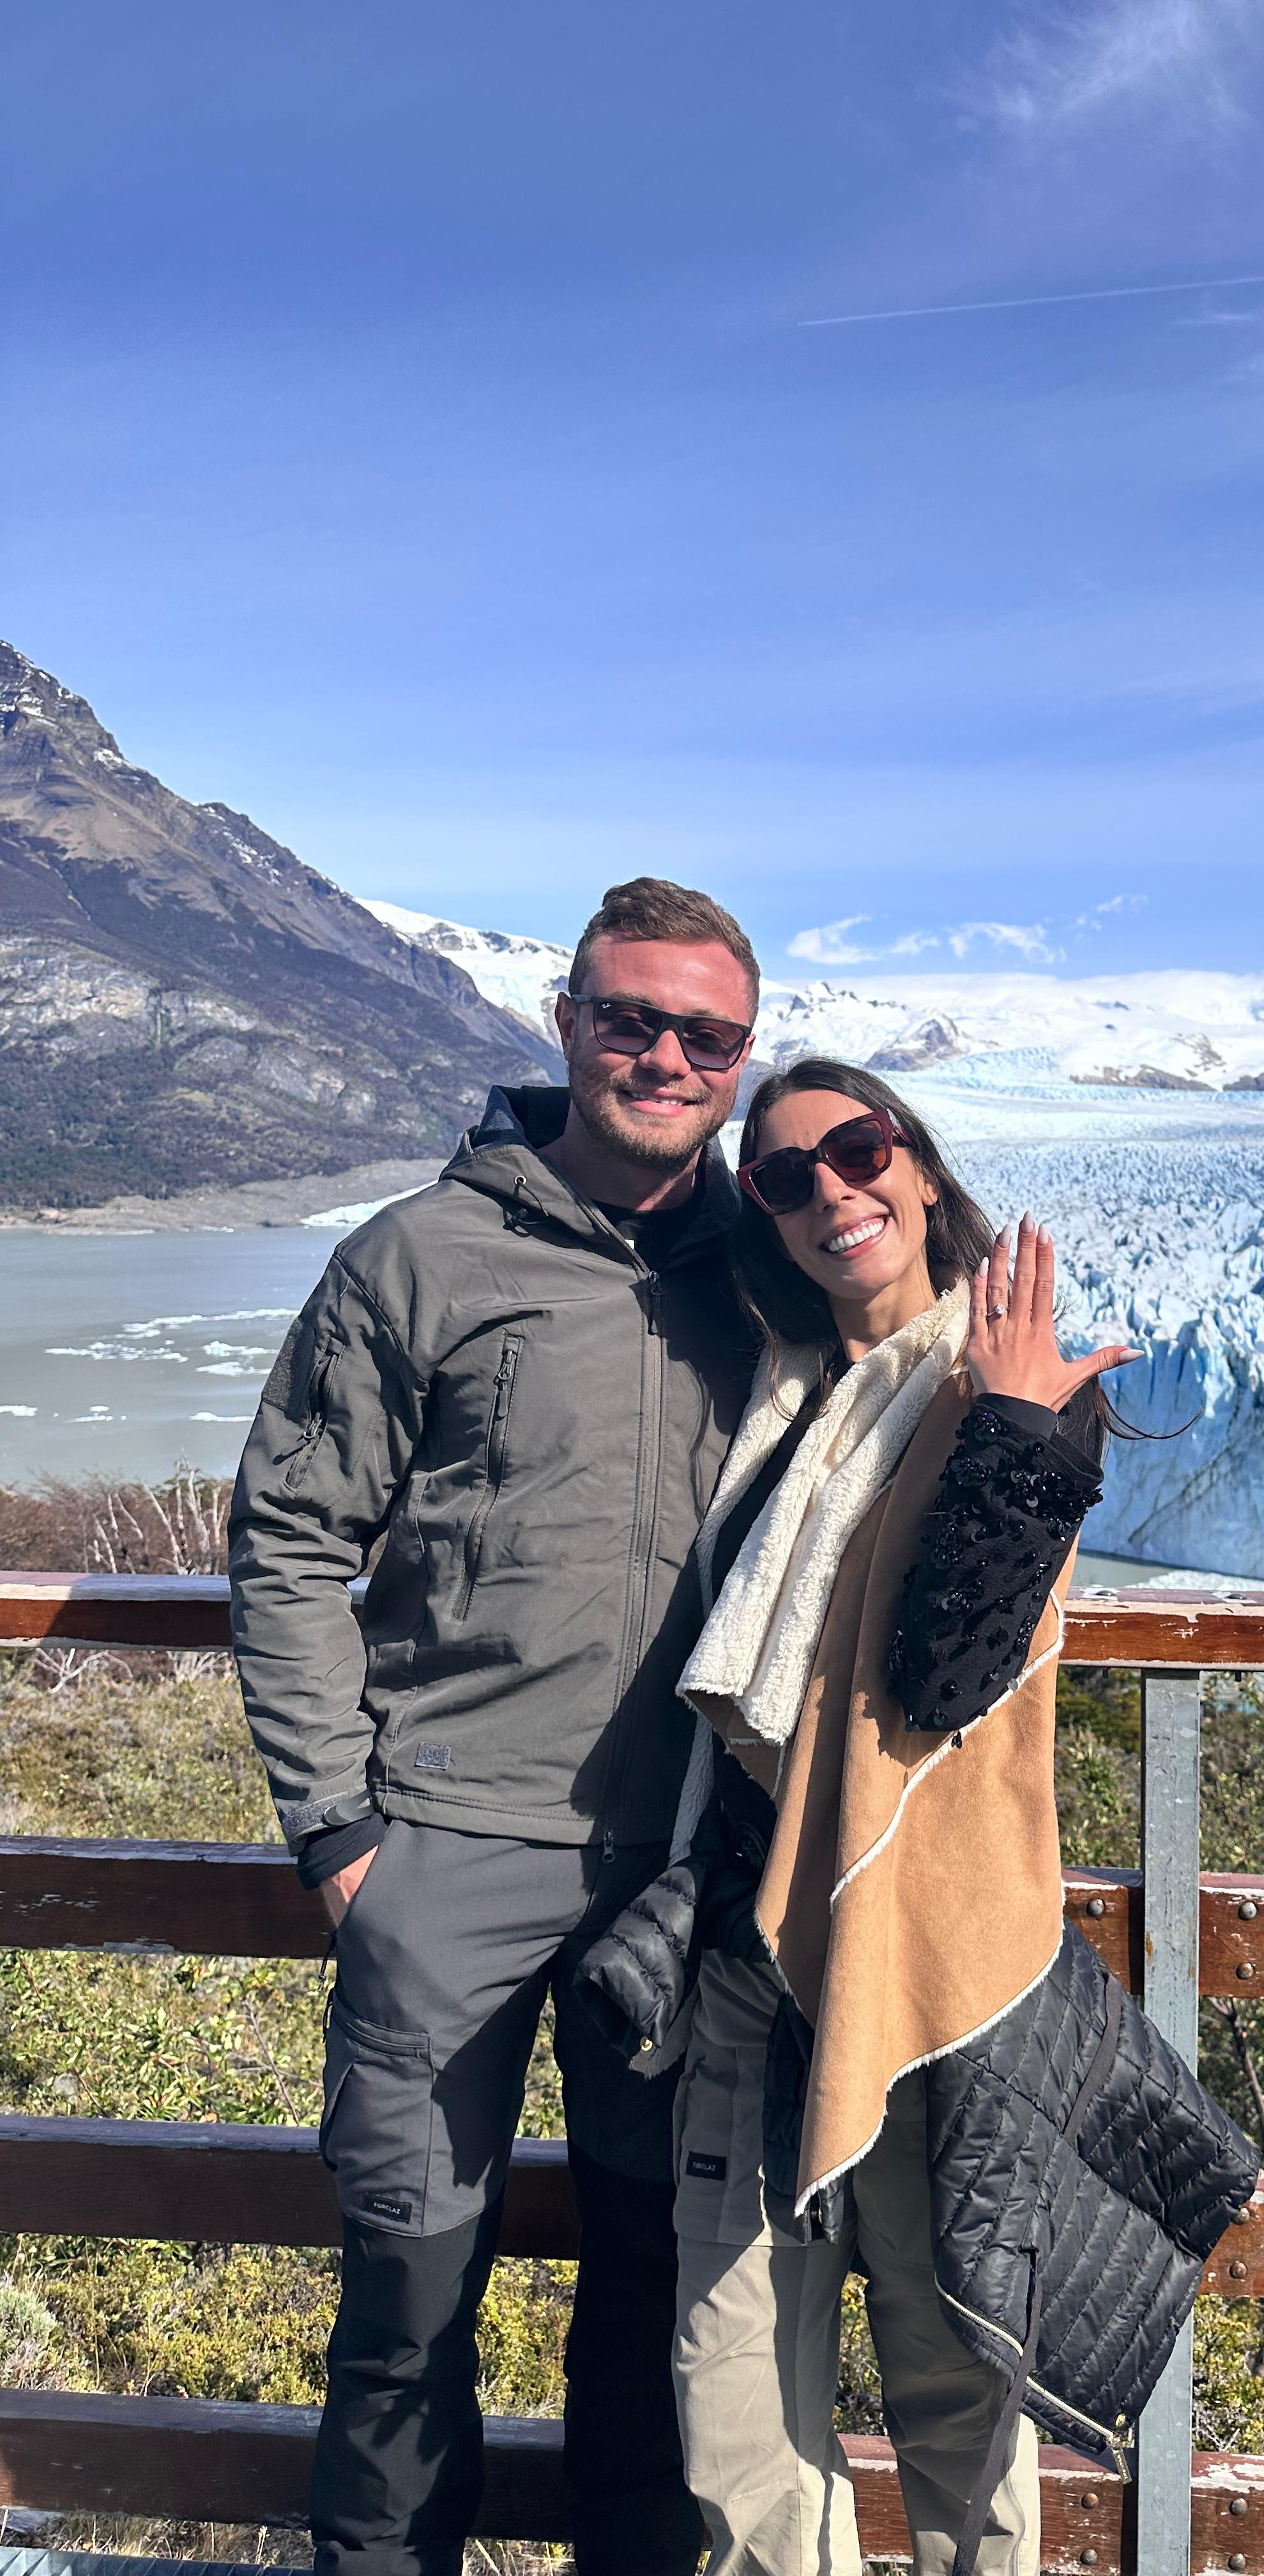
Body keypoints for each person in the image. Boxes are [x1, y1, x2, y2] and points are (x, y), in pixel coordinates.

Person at [578, 1059, 1256, 2576]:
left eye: (859, 1148)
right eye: (784, 1176)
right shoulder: (789, 1398)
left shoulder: (1010, 1396)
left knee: (954, 2386)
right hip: (750, 1954)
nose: (832, 1189)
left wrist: (1014, 1424)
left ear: (921, 1166)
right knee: (735, 2399)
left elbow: (944, 1680)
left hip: (920, 1970)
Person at [227, 875, 765, 2576]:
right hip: (444, 1849)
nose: (665, 1058)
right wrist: (339, 1832)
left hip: (679, 1868)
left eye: (707, 1036)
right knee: (407, 2286)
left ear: (743, 1059)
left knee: (657, 2291)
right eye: (632, 1019)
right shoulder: (419, 1256)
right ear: (568, 1022)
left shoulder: (771, 1267)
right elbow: (290, 1533)